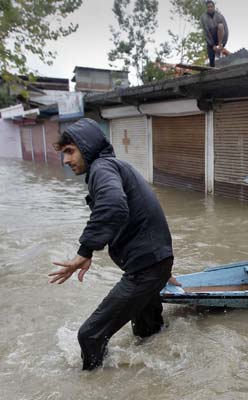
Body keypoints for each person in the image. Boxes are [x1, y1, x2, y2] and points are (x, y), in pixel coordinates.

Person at [48, 118, 174, 371]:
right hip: (154, 263)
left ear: (88, 147)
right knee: (148, 333)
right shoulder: (114, 166)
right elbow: (140, 216)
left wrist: (85, 251)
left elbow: (114, 205)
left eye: (70, 151)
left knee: (89, 335)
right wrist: (162, 266)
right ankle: (162, 378)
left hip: (146, 268)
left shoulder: (101, 168)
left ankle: (92, 387)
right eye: (64, 154)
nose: (66, 160)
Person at [200, 0, 229, 67]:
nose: (210, 8)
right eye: (208, 7)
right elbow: (206, 32)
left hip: (220, 38)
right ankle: (212, 66)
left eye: (211, 7)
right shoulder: (203, 18)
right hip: (211, 39)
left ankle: (219, 48)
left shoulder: (220, 16)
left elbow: (226, 30)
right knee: (211, 60)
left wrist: (222, 44)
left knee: (221, 26)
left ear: (214, 7)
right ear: (206, 8)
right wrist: (212, 45)